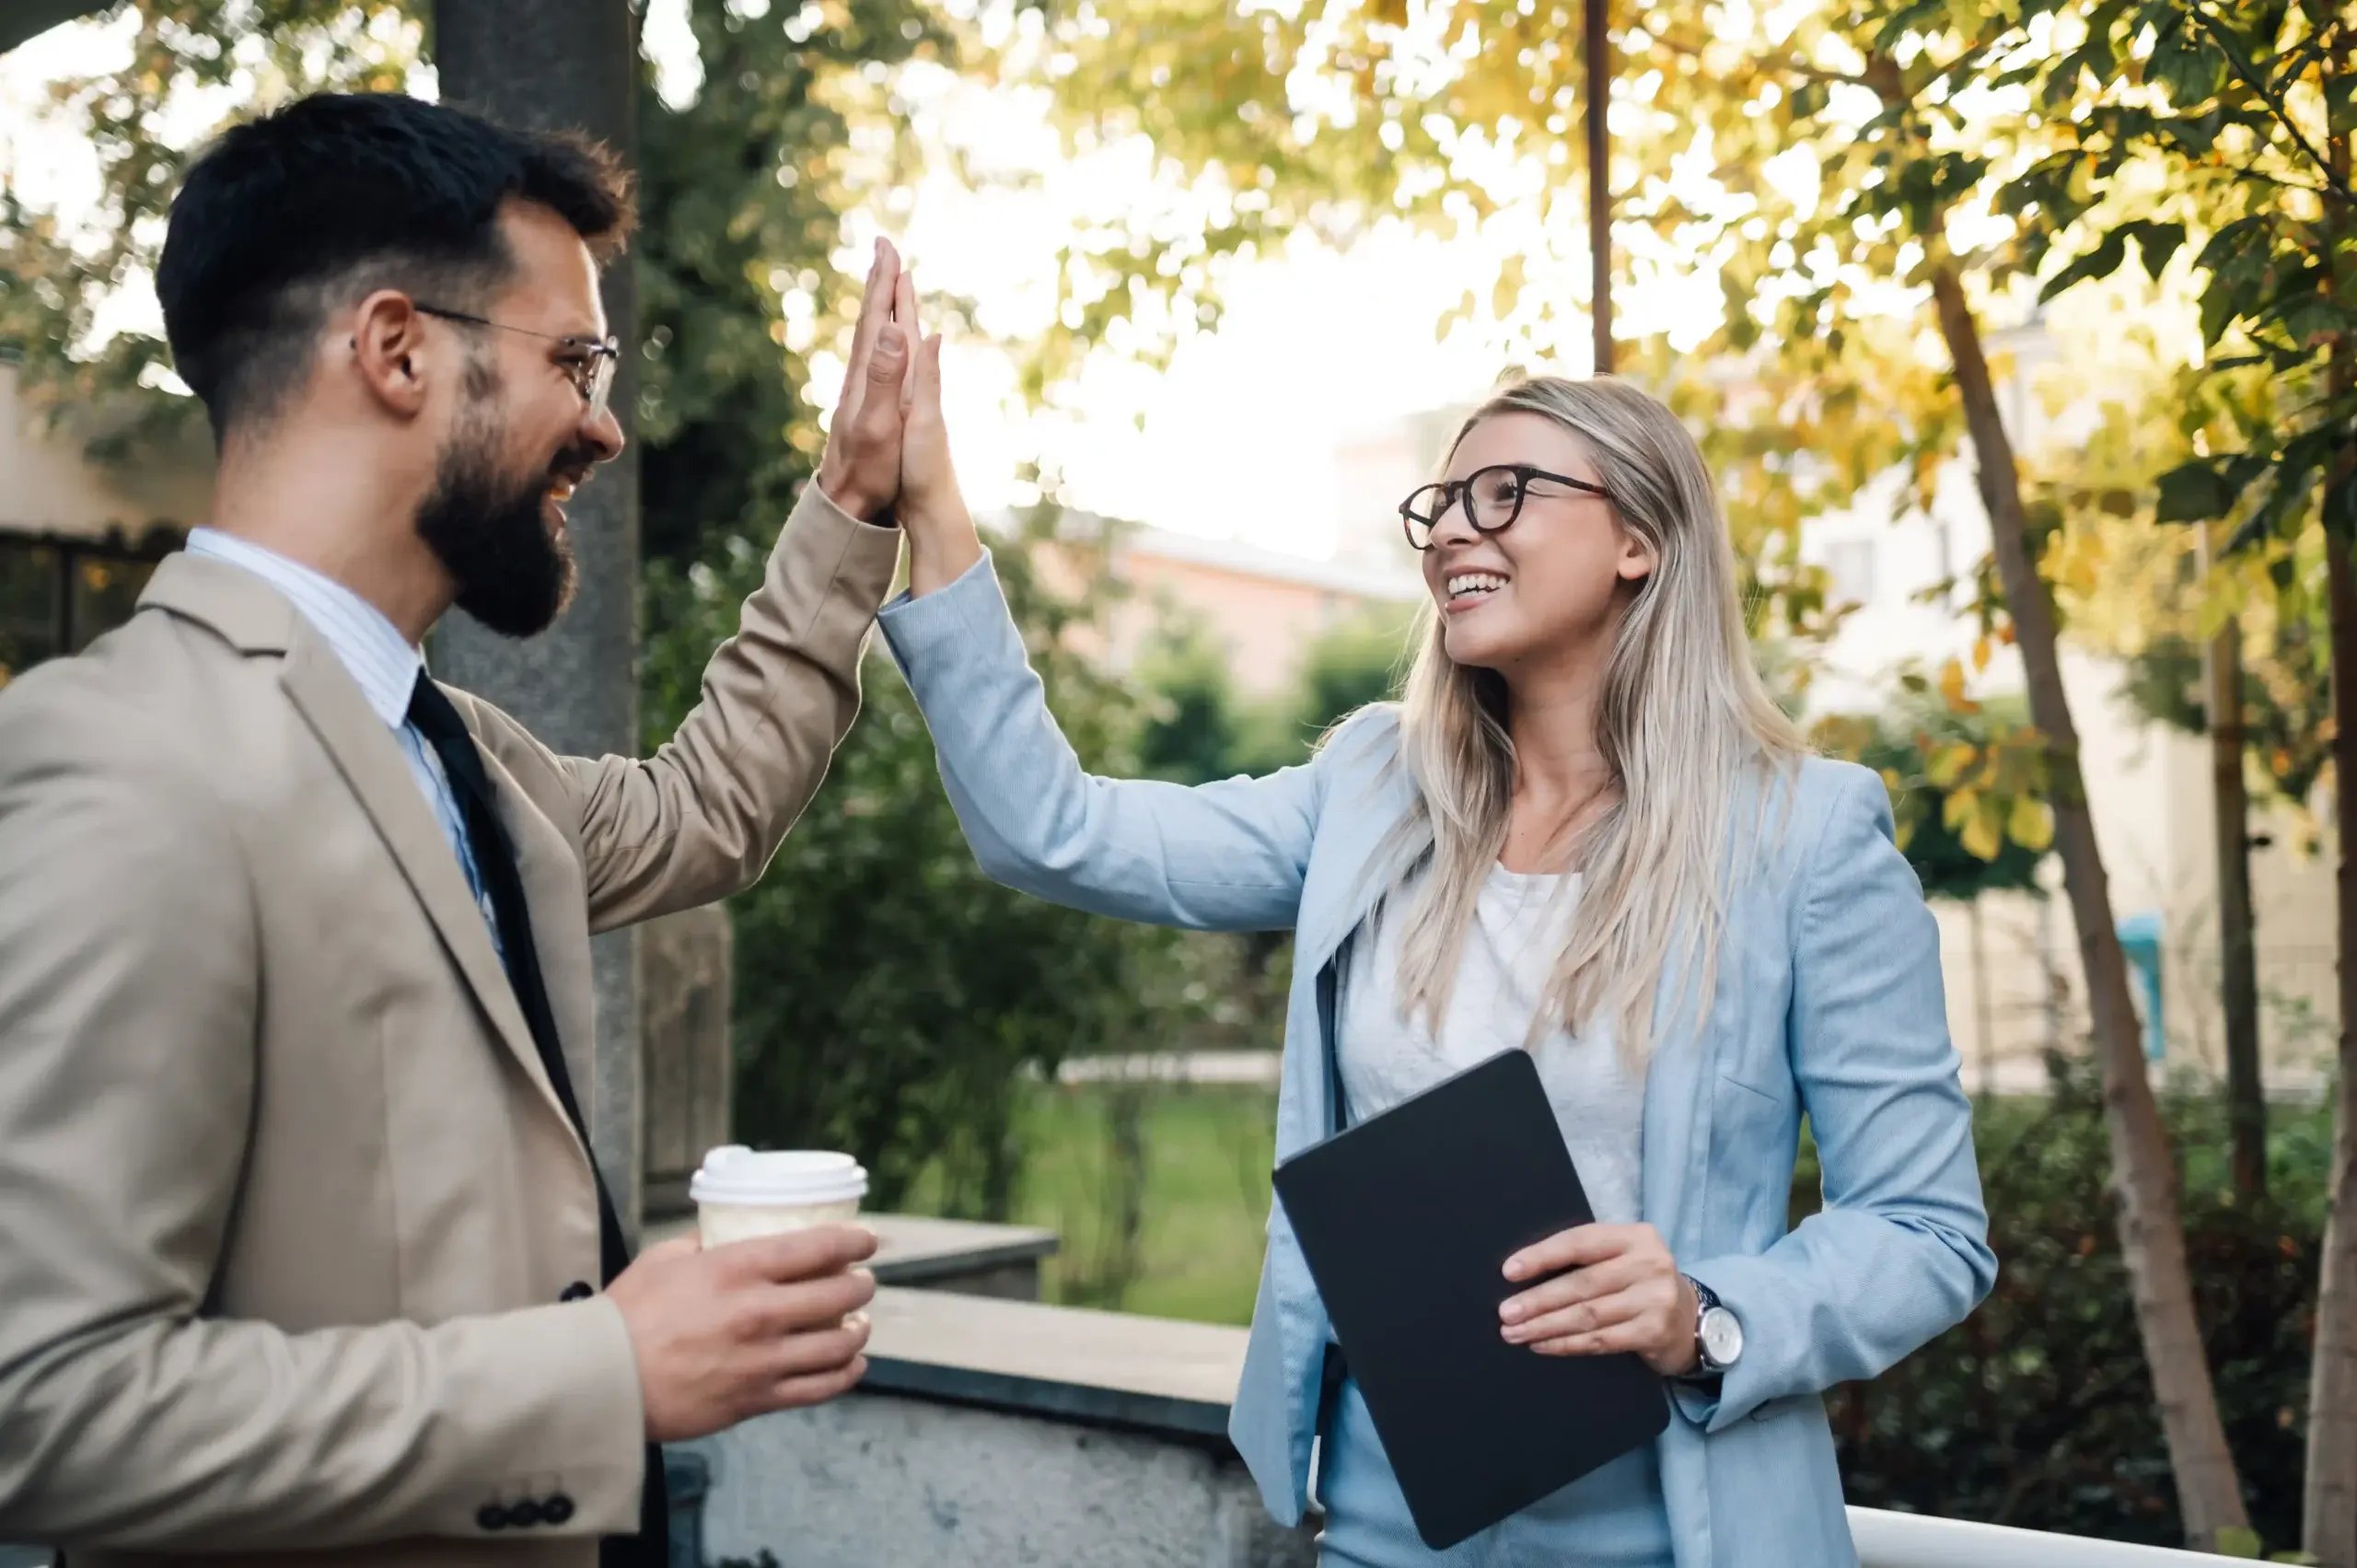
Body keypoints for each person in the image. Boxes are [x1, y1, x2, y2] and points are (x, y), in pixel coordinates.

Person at [876, 332, 1997, 1564]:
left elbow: (1924, 1227)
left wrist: (1708, 1315)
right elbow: (1057, 832)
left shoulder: (1806, 835)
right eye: (1441, 505)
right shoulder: (1371, 789)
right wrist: (933, 503)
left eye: (1507, 492)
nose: (1456, 530)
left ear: (1641, 540)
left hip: (1678, 1536)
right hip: (1388, 1531)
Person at [0, 92, 914, 1568]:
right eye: (575, 361)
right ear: (398, 349)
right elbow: (43, 1402)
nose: (606, 423)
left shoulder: (471, 763)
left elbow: (709, 807)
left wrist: (852, 499)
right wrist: (601, 1376)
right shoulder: (123, 761)